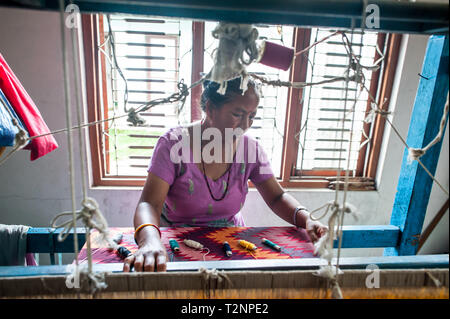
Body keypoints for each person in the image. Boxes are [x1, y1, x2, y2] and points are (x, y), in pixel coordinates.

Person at [123, 77, 328, 272]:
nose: (246, 125)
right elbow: (149, 204)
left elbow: (277, 197)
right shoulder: (173, 144)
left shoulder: (251, 150)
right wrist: (149, 240)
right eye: (237, 114)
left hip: (229, 243)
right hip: (176, 241)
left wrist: (307, 219)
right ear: (211, 108)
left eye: (252, 116)